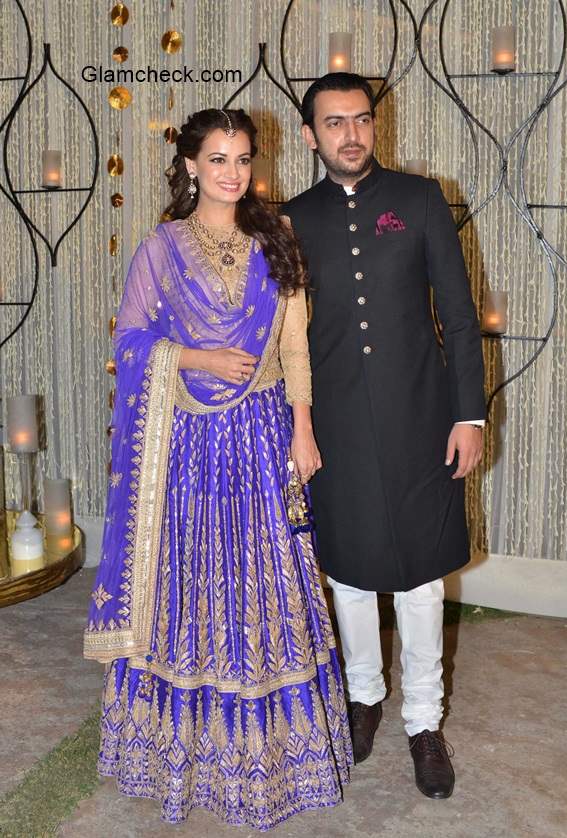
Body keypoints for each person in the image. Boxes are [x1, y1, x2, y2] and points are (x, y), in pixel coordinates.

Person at [84, 107, 352, 829]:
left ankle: (276, 755)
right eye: (219, 160)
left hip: (264, 431)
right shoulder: (162, 248)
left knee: (269, 578)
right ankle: (181, 752)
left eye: (242, 160)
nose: (233, 174)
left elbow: (294, 345)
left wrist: (303, 426)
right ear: (191, 167)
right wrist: (195, 357)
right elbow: (132, 338)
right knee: (190, 577)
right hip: (189, 442)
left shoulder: (277, 237)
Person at [281, 73, 485, 800]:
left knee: (424, 575)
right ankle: (364, 699)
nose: (351, 134)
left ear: (375, 124)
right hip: (332, 426)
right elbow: (281, 336)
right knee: (351, 572)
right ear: (310, 136)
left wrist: (470, 414)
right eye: (334, 123)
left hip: (422, 417)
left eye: (361, 119)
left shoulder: (421, 198)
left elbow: (459, 317)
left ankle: (424, 722)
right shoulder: (287, 219)